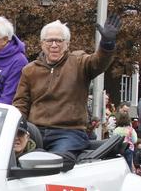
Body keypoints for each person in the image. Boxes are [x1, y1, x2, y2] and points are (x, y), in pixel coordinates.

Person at [12, 15, 121, 158]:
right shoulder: (30, 70)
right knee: (12, 159)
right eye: (49, 40)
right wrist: (18, 129)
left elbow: (98, 62)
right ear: (42, 43)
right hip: (35, 131)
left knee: (56, 161)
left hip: (68, 132)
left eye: (59, 40)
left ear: (67, 44)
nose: (54, 45)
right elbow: (21, 104)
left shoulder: (79, 63)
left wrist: (107, 44)